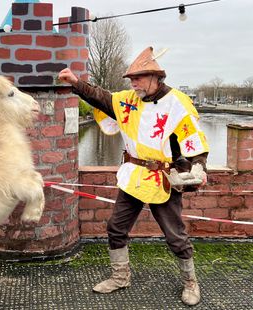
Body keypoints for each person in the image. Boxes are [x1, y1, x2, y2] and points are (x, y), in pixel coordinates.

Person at [58, 46, 209, 306]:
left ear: (155, 77)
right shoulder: (128, 100)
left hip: (163, 177)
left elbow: (193, 138)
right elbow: (100, 97)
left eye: (138, 78)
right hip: (133, 176)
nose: (133, 83)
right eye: (131, 79)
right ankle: (120, 277)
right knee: (116, 228)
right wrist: (76, 83)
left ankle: (190, 282)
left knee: (175, 236)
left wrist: (199, 167)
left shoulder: (177, 103)